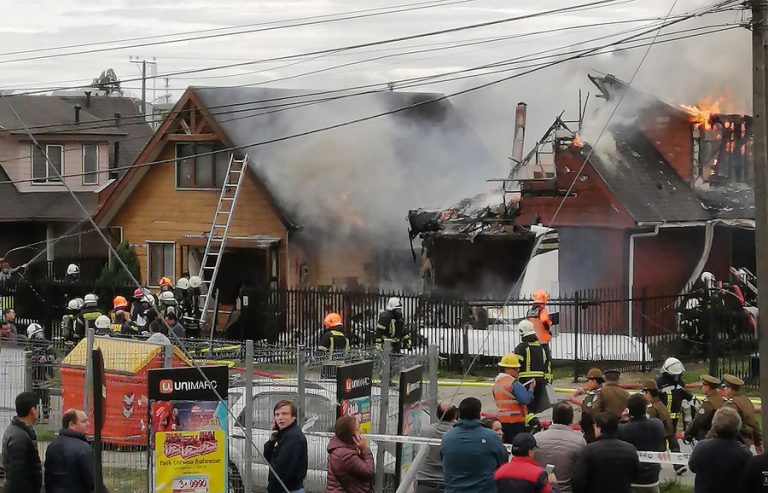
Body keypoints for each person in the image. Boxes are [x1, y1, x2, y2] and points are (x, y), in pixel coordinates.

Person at [441, 397, 508, 492]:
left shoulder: (447, 437)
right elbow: (503, 461)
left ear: (459, 414)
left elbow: (443, 459)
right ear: (478, 414)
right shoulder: (491, 437)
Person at [571, 412, 639, 493]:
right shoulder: (630, 449)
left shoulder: (588, 450)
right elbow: (636, 476)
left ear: (599, 429)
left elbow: (577, 479)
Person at [688, 407, 752, 493]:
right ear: (738, 427)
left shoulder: (701, 447)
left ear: (714, 426)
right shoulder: (744, 453)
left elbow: (692, 467)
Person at [618, 394, 666, 493]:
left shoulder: (622, 429)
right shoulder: (657, 424)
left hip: (630, 477)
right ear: (646, 408)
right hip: (652, 476)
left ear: (628, 410)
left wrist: (622, 420)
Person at [535, 402, 586, 493]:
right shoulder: (579, 442)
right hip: (567, 490)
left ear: (553, 416)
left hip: (541, 489)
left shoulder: (536, 438)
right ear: (571, 419)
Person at [44, 409, 95, 493]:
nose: (88, 424)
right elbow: (92, 481)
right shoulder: (84, 449)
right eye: (84, 421)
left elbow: (48, 478)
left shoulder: (52, 446)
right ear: (71, 425)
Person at [656, 357, 692, 474]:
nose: (676, 377)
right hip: (662, 417)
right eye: (674, 375)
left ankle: (655, 463)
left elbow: (688, 396)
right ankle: (677, 465)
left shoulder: (680, 383)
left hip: (675, 417)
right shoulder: (659, 383)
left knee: (665, 440)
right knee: (668, 440)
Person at [1, 391, 42, 493]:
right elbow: (17, 475)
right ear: (33, 410)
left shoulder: (19, 431)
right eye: (37, 407)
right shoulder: (19, 437)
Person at [264, 400, 308, 493]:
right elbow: (268, 457)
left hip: (288, 489)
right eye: (277, 415)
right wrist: (271, 441)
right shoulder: (282, 434)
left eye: (284, 414)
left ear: (293, 417)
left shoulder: (293, 437)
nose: (280, 418)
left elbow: (283, 469)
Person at [416, 402, 457, 493]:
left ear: (437, 414)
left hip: (425, 482)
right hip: (449, 484)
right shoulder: (457, 433)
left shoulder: (426, 431)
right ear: (455, 416)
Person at [493, 352, 534, 443]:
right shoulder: (513, 383)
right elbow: (525, 400)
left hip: (502, 421)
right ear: (507, 368)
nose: (518, 371)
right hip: (515, 422)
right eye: (515, 368)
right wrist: (531, 389)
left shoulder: (497, 383)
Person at [326, 415, 374, 493]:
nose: (360, 432)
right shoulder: (345, 455)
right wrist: (364, 449)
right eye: (357, 430)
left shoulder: (340, 446)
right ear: (351, 435)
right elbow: (368, 472)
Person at [514, 320, 550, 414]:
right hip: (541, 383)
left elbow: (515, 365)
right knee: (535, 410)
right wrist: (547, 381)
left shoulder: (522, 347)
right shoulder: (542, 348)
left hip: (526, 382)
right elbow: (548, 366)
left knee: (525, 409)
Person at [723, 373, 763, 452]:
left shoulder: (731, 404)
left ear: (730, 388)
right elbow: (753, 423)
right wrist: (758, 441)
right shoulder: (746, 400)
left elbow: (726, 425)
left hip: (734, 442)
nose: (724, 389)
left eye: (725, 387)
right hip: (746, 442)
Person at [684, 374, 724, 442]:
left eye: (704, 385)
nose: (702, 387)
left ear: (708, 387)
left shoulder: (708, 403)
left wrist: (688, 434)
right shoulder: (720, 400)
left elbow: (698, 421)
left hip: (708, 437)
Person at [640, 381, 675, 454]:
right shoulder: (661, 405)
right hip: (662, 444)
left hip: (655, 446)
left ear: (648, 392)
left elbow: (647, 428)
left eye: (643, 392)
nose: (643, 395)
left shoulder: (652, 409)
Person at [570, 368, 604, 443]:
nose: (587, 384)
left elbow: (590, 409)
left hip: (593, 432)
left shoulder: (597, 395)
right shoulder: (600, 391)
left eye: (588, 381)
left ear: (594, 381)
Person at [527, 290, 553, 377]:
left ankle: (536, 376)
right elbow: (545, 321)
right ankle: (546, 377)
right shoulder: (542, 310)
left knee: (535, 361)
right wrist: (548, 328)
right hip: (543, 340)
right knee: (547, 360)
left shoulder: (531, 311)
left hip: (533, 340)